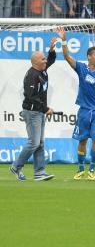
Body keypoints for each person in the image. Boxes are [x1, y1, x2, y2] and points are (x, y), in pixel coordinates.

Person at [57, 27, 95, 181]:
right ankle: (81, 168)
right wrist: (63, 40)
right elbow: (67, 56)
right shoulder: (81, 68)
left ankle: (92, 169)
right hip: (84, 110)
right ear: (89, 56)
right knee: (82, 140)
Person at [9, 38, 57, 181]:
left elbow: (51, 60)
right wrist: (46, 108)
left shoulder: (42, 70)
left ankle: (39, 173)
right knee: (34, 142)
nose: (45, 61)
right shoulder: (32, 76)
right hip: (32, 112)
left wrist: (52, 50)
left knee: (40, 143)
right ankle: (16, 167)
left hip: (39, 111)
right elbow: (31, 97)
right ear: (36, 62)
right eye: (43, 59)